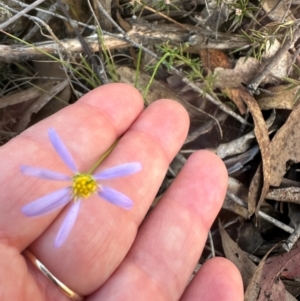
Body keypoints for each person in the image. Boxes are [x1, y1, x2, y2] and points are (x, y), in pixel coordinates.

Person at [0, 83, 243, 300]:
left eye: (86, 185)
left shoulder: (86, 183)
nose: (85, 185)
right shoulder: (79, 183)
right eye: (84, 185)